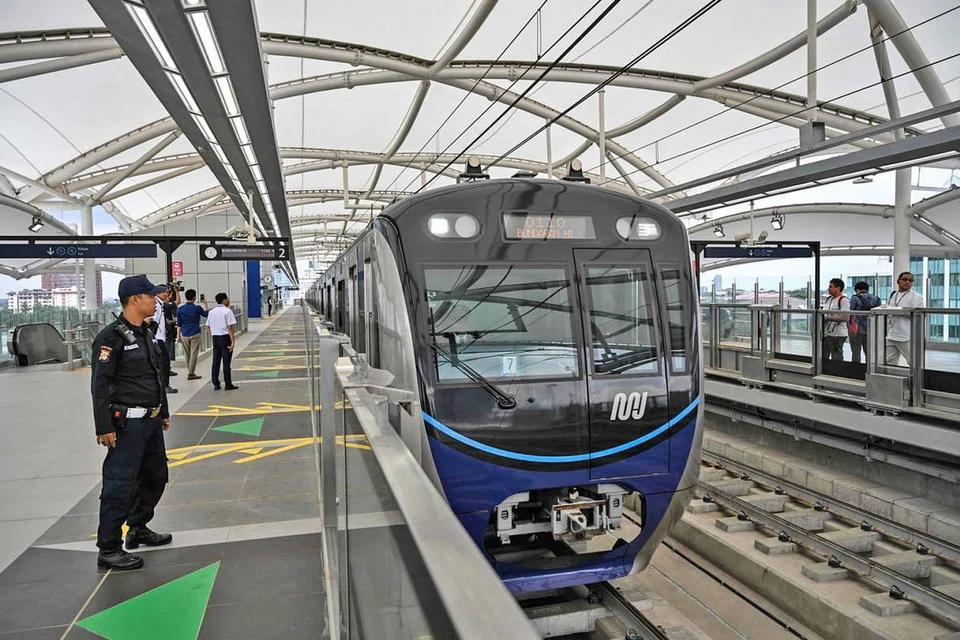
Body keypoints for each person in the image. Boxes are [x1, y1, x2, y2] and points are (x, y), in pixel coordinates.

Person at [90, 275, 173, 570]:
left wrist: (162, 411)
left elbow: (155, 376)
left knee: (155, 477)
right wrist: (104, 427)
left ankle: (138, 528)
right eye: (150, 296)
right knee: (120, 484)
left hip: (150, 422)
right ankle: (109, 547)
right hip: (126, 424)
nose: (156, 300)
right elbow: (100, 385)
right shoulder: (110, 338)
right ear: (135, 299)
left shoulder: (145, 333)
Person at [886, 271, 924, 366]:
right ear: (898, 281)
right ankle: (892, 380)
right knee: (889, 361)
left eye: (910, 280)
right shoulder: (893, 295)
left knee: (914, 362)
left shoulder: (916, 297)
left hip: (907, 335)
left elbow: (920, 314)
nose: (907, 282)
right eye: (904, 279)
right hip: (891, 334)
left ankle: (917, 380)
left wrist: (901, 312)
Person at [148, 287, 178, 394]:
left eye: (167, 292)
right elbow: (151, 321)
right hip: (157, 338)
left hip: (160, 336)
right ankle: (164, 385)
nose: (166, 294)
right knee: (164, 362)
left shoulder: (160, 304)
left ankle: (163, 384)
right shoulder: (156, 304)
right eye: (164, 292)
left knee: (163, 362)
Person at [208, 292, 238, 391]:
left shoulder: (212, 311)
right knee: (226, 362)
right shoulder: (227, 311)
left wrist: (212, 334)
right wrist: (232, 341)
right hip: (225, 338)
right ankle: (228, 384)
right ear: (224, 300)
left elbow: (207, 326)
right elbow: (230, 327)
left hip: (215, 337)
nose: (228, 300)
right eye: (227, 299)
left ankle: (216, 383)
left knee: (215, 361)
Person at [176, 289, 208, 379]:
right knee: (194, 353)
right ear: (194, 297)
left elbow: (179, 323)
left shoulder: (180, 309)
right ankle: (191, 373)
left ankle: (190, 371)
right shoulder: (197, 308)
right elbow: (206, 314)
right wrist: (205, 303)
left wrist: (178, 335)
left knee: (187, 354)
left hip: (184, 333)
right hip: (195, 332)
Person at [849, 281, 881, 365]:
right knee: (869, 353)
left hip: (857, 330)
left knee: (856, 352)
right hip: (871, 329)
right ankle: (869, 370)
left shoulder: (854, 298)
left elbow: (850, 314)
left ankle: (856, 371)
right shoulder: (876, 299)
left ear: (857, 289)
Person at [823, 278, 850, 362]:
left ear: (838, 288)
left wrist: (828, 317)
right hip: (827, 332)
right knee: (825, 353)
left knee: (836, 355)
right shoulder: (829, 299)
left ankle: (837, 371)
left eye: (831, 287)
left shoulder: (843, 300)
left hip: (838, 333)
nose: (829, 288)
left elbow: (845, 317)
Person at [163, 287, 180, 364]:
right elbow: (178, 301)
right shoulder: (165, 305)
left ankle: (167, 367)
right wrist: (176, 291)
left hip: (167, 331)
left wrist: (173, 291)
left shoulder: (163, 305)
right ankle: (167, 368)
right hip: (167, 331)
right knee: (167, 350)